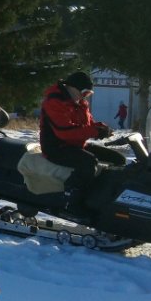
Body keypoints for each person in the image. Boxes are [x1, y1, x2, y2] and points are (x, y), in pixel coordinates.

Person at [39, 70, 124, 207]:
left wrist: (102, 128)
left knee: (118, 160)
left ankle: (102, 196)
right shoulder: (54, 101)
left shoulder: (79, 103)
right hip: (56, 148)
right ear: (72, 87)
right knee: (88, 162)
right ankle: (71, 200)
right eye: (84, 92)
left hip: (75, 145)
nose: (85, 97)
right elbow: (64, 131)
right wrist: (94, 132)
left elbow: (87, 125)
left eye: (88, 94)